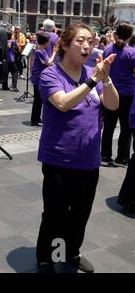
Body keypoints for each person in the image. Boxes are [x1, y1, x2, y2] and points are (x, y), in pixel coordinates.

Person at [36, 23, 119, 273]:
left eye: (91, 41)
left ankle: (71, 251)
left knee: (80, 213)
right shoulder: (51, 75)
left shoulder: (92, 74)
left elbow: (113, 106)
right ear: (64, 45)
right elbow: (62, 103)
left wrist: (107, 79)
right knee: (56, 214)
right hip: (59, 159)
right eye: (80, 41)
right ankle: (48, 256)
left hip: (88, 160)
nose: (87, 46)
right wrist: (94, 79)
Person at [101, 22, 135, 167]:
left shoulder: (107, 49)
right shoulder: (132, 52)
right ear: (130, 35)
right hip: (127, 93)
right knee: (126, 128)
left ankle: (105, 155)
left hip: (110, 91)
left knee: (108, 125)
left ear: (116, 33)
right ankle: (122, 157)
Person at [30, 31, 50, 126]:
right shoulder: (40, 51)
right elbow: (48, 63)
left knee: (39, 100)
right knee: (37, 100)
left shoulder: (42, 50)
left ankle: (37, 118)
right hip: (38, 78)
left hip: (39, 77)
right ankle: (34, 119)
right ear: (45, 42)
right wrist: (54, 53)